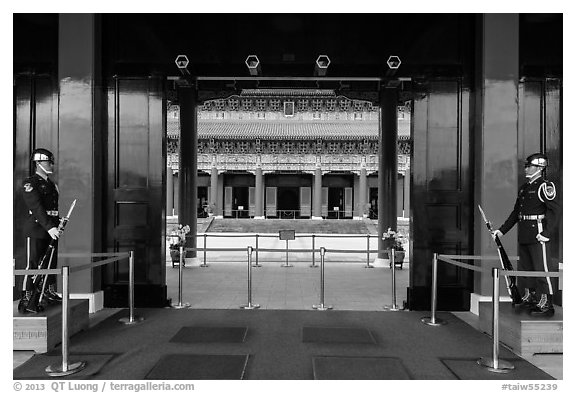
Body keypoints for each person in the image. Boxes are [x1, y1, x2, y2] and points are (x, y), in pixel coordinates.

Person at [492, 153, 560, 317]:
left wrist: (546, 233)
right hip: (525, 232)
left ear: (539, 168)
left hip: (538, 234)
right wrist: (501, 230)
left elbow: (556, 210)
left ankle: (546, 302)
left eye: (529, 166)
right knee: (526, 268)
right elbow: (516, 212)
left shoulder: (545, 186)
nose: (526, 168)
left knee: (541, 268)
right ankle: (530, 297)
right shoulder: (524, 187)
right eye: (526, 166)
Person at [18, 148, 62, 313]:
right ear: (38, 163)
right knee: (34, 263)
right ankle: (27, 297)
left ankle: (48, 292)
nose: (51, 164)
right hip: (37, 228)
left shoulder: (52, 184)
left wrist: (58, 224)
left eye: (51, 161)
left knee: (50, 262)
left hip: (52, 228)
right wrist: (50, 227)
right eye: (47, 161)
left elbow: (53, 209)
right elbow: (36, 208)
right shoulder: (30, 183)